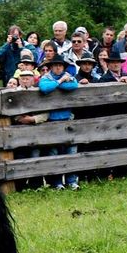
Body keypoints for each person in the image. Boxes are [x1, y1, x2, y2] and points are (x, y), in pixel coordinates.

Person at [38, 54, 79, 190]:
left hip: (67, 119)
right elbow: (44, 88)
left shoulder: (68, 76)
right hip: (52, 120)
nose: (57, 67)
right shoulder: (46, 77)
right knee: (53, 152)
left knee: (71, 151)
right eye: (55, 65)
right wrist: (61, 81)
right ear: (51, 67)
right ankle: (56, 182)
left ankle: (71, 181)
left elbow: (73, 85)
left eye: (60, 65)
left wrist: (58, 84)